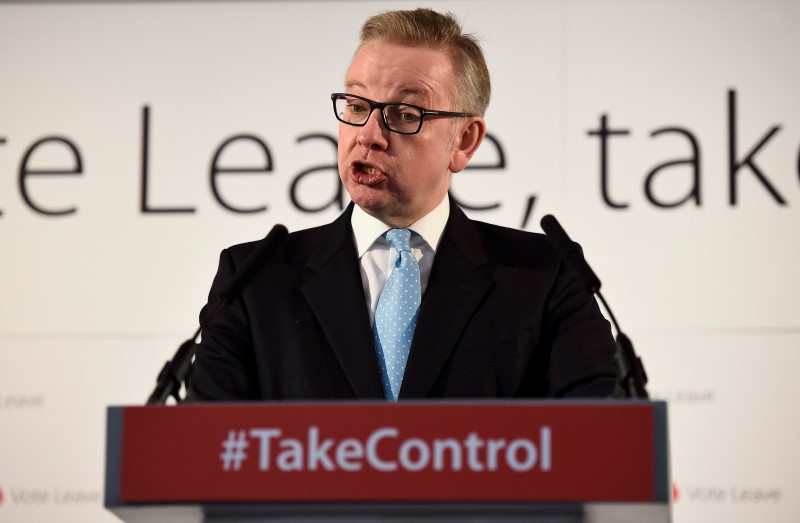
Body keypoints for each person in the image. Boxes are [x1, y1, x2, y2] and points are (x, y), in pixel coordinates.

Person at [188, 8, 617, 401]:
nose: (368, 134)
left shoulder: (543, 277)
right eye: (356, 105)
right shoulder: (254, 282)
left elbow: (599, 438)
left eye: (404, 114)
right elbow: (203, 451)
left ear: (464, 141)